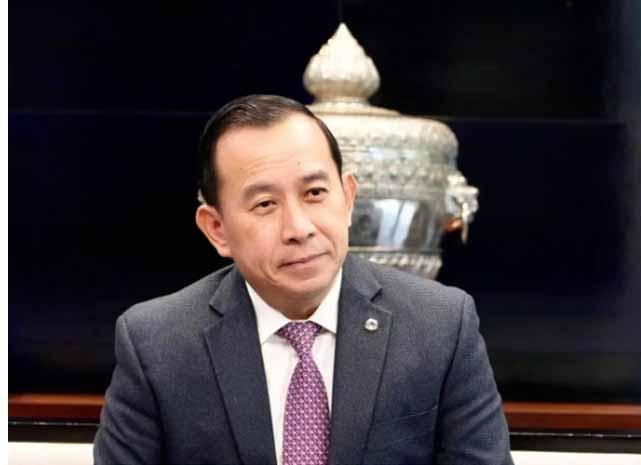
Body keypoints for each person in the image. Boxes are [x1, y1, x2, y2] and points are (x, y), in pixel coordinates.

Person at [93, 95, 513, 465]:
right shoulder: (156, 344)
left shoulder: (440, 325)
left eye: (315, 193)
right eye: (265, 204)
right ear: (217, 229)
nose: (299, 228)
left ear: (348, 198)